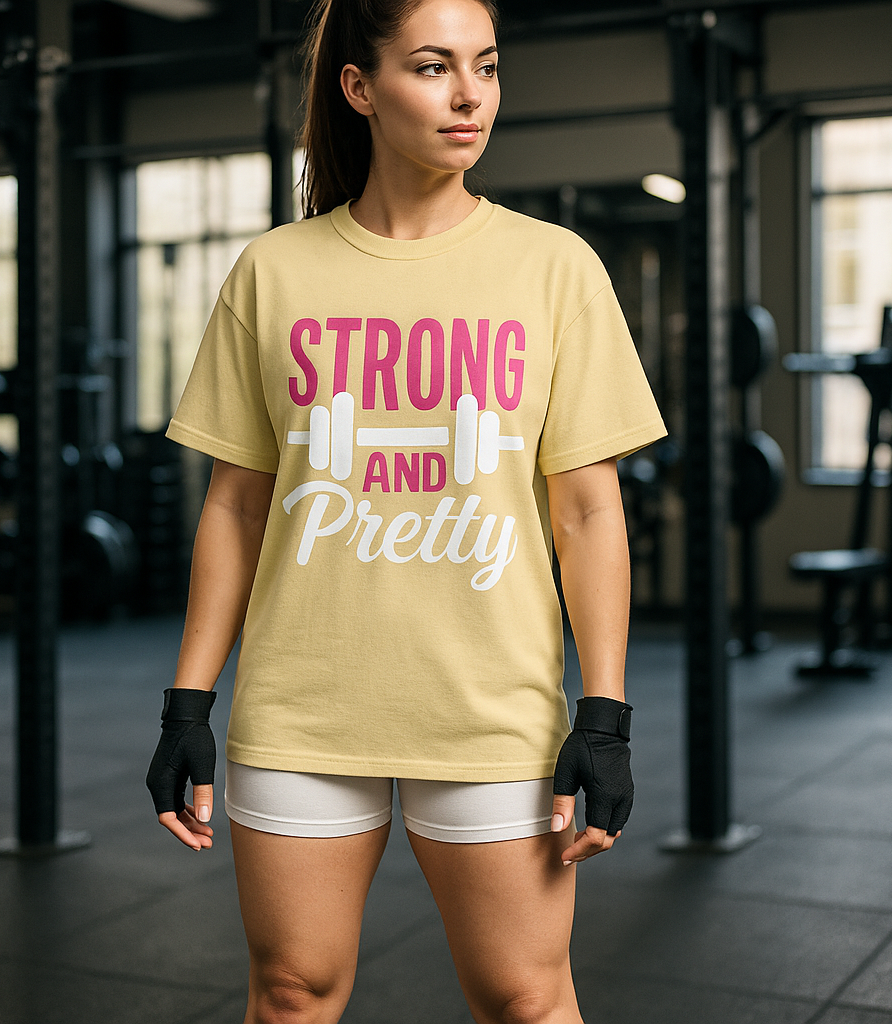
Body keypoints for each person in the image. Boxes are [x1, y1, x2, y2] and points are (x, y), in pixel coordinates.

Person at [146, 0, 666, 1019]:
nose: (470, 95)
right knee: (291, 991)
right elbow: (237, 507)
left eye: (487, 65)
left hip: (488, 710)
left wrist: (603, 716)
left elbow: (588, 515)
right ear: (359, 87)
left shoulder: (554, 267)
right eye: (433, 67)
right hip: (302, 705)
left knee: (524, 996)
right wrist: (186, 706)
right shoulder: (274, 272)